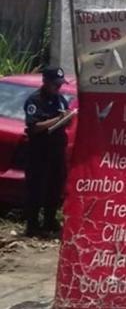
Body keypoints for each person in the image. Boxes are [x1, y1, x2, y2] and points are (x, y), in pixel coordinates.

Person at [23, 66, 71, 237]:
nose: (58, 88)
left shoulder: (60, 99)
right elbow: (34, 127)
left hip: (56, 151)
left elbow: (66, 121)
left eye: (60, 85)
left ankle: (50, 221)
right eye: (55, 85)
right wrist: (57, 119)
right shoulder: (35, 100)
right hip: (39, 152)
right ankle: (33, 225)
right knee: (36, 188)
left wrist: (67, 118)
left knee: (55, 187)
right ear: (45, 82)